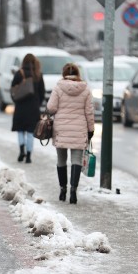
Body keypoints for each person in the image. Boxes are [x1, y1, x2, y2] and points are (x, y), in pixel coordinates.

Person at [45, 63, 95, 204]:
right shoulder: (85, 89)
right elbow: (89, 112)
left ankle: (62, 190)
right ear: (78, 74)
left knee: (61, 160)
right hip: (79, 129)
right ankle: (73, 191)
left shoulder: (58, 87)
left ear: (64, 73)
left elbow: (51, 107)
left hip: (61, 129)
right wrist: (91, 130)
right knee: (76, 161)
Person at [11, 54, 46, 163]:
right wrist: (37, 103)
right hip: (33, 109)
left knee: (20, 131)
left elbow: (13, 90)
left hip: (20, 108)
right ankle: (29, 156)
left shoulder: (19, 73)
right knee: (30, 133)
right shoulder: (38, 75)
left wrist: (16, 101)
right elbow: (42, 93)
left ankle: (22, 150)